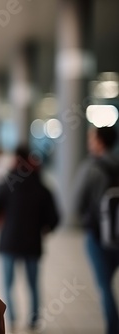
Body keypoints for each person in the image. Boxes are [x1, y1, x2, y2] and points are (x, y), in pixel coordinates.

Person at [0, 145, 59, 332]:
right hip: (32, 242)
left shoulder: (9, 181)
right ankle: (33, 320)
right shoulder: (41, 184)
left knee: (7, 284)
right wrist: (45, 228)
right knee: (33, 284)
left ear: (16, 159)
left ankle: (12, 319)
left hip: (10, 241)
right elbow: (55, 217)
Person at [73, 125, 119, 334]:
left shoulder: (92, 167)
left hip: (99, 236)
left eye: (92, 138)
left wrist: (87, 219)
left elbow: (77, 203)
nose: (90, 142)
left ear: (99, 142)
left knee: (105, 286)